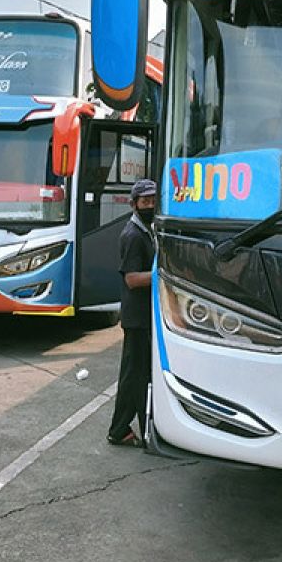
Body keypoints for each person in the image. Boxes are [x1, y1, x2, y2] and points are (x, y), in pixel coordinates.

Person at [107, 178, 157, 447]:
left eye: (153, 200)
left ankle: (121, 429)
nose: (150, 205)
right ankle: (128, 429)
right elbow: (132, 279)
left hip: (143, 316)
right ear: (134, 204)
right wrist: (161, 274)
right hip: (137, 318)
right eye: (145, 201)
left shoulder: (147, 230)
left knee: (135, 374)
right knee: (136, 376)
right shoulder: (133, 235)